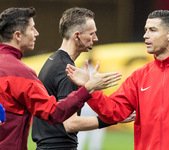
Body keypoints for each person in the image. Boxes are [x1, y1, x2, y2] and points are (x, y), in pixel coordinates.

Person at [66, 10, 169, 150]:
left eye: (152, 30)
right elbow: (113, 111)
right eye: (145, 30)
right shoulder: (139, 77)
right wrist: (89, 88)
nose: (145, 35)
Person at [0, 7, 122, 150]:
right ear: (18, 35)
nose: (36, 33)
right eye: (32, 29)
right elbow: (60, 117)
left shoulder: (51, 62)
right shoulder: (27, 73)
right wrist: (89, 89)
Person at [31, 7, 134, 150]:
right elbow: (70, 124)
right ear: (77, 35)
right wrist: (112, 120)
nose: (95, 38)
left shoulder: (54, 61)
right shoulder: (66, 70)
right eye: (92, 34)